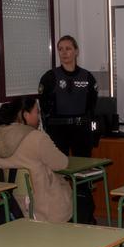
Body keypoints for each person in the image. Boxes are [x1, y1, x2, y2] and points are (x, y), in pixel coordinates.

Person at [38, 35, 98, 224]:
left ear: (76, 51)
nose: (64, 53)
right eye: (60, 49)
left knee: (83, 175)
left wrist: (92, 132)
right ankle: (62, 216)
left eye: (68, 49)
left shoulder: (87, 78)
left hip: (81, 131)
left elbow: (92, 110)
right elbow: (43, 109)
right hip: (58, 133)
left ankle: (86, 216)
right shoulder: (49, 77)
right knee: (59, 175)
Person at [0, 97, 72, 223]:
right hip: (43, 206)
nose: (39, 116)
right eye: (37, 112)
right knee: (66, 187)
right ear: (26, 115)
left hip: (12, 205)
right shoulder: (36, 138)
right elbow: (62, 163)